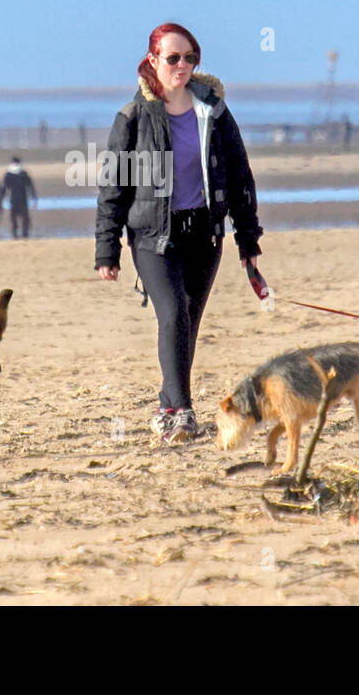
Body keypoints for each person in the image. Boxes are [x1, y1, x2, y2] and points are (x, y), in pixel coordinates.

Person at [95, 22, 263, 444]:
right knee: (171, 314)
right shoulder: (135, 116)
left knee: (186, 321)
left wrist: (247, 240)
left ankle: (167, 405)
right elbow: (113, 185)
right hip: (154, 236)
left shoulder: (214, 111)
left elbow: (240, 175)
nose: (182, 66)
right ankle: (182, 412)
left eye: (190, 58)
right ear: (153, 60)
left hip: (204, 236)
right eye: (173, 58)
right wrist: (106, 249)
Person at [1, 157, 37, 239]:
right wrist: (33, 197)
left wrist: (1, 198)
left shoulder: (8, 174)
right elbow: (30, 186)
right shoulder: (24, 173)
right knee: (24, 217)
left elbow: (4, 188)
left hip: (13, 199)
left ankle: (15, 234)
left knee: (14, 218)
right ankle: (25, 233)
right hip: (23, 198)